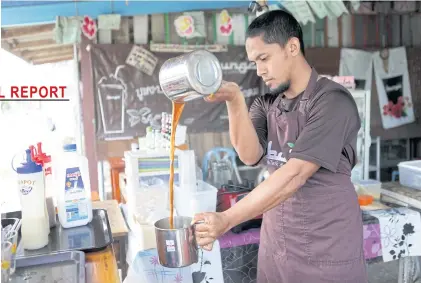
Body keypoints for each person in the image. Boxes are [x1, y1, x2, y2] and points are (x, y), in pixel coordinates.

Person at [193, 9, 368, 283]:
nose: (259, 70)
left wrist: (227, 219)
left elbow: (295, 174)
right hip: (278, 247)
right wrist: (235, 100)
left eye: (264, 58)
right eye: (254, 62)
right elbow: (249, 155)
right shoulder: (267, 104)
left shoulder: (332, 101)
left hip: (327, 249)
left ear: (292, 47)